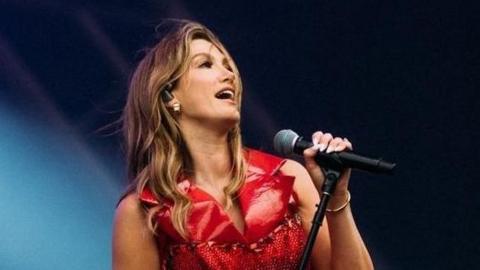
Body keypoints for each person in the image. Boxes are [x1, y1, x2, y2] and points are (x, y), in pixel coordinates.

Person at [112, 19, 373, 270]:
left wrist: (337, 200)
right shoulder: (143, 211)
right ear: (169, 96)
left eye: (228, 66)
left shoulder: (288, 177)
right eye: (206, 64)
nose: (229, 75)